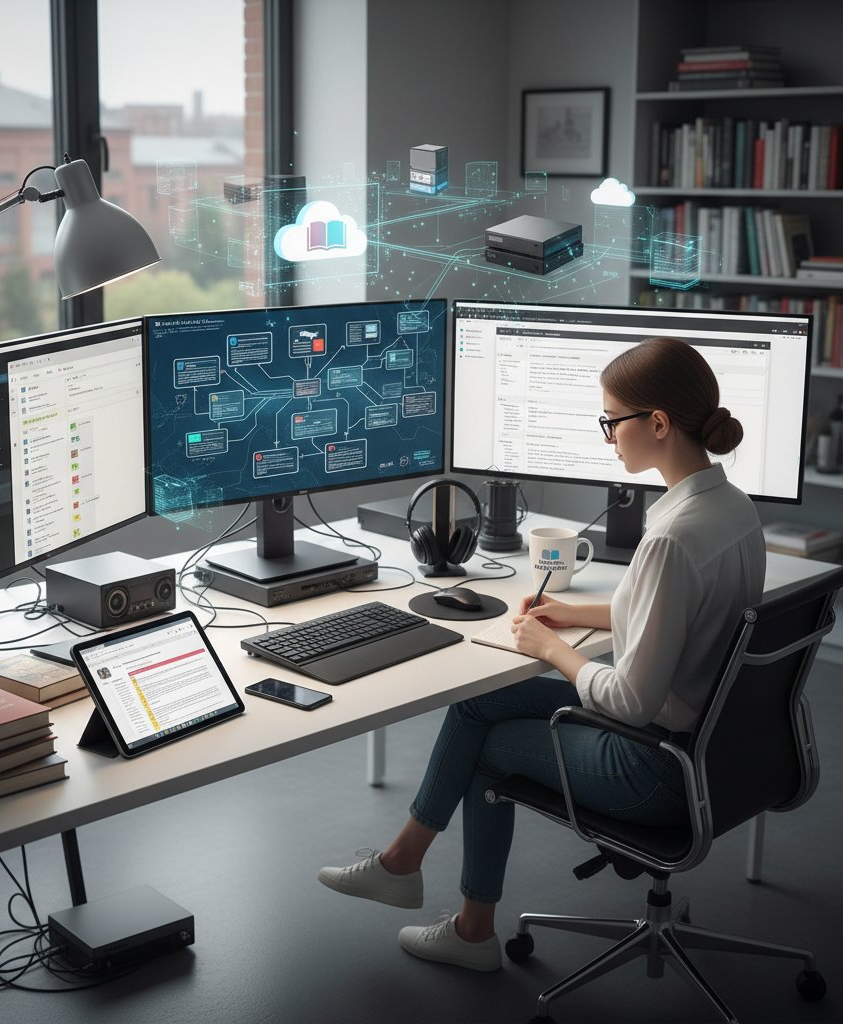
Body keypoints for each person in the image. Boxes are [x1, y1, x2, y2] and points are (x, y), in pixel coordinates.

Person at [317, 337, 766, 972]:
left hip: (656, 768)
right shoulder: (732, 509)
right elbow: (677, 615)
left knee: (484, 749)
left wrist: (551, 648)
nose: (608, 437)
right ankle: (405, 865)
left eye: (612, 421)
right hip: (715, 753)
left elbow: (633, 702)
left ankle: (466, 926)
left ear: (658, 424)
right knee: (481, 700)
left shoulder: (670, 538)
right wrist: (573, 614)